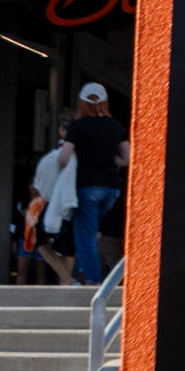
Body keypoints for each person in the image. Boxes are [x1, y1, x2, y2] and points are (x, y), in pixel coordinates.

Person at [64, 81, 129, 284]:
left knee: (85, 237)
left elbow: (64, 157)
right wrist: (112, 160)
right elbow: (127, 158)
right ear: (105, 103)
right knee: (89, 233)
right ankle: (81, 277)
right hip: (111, 190)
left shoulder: (77, 126)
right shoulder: (116, 126)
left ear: (82, 103)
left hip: (87, 187)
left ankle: (92, 282)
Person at [22, 132, 81, 285]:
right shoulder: (79, 154)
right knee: (67, 248)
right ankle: (65, 279)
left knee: (48, 243)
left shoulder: (53, 157)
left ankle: (65, 279)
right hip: (71, 201)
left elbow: (41, 182)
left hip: (58, 202)